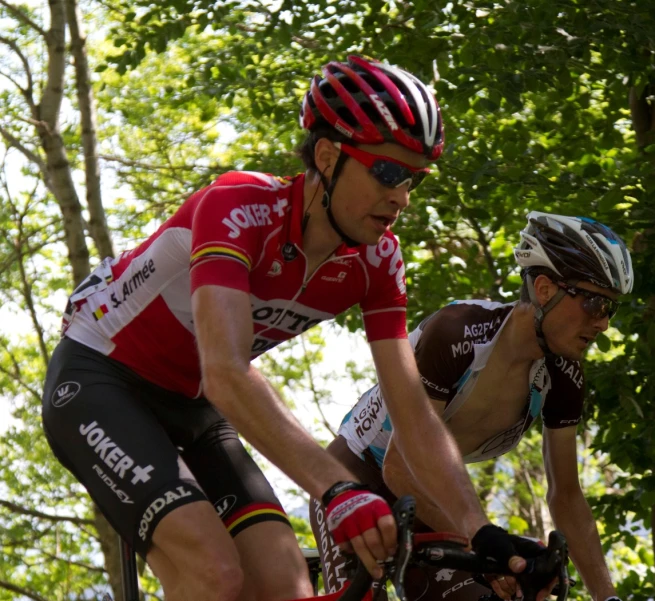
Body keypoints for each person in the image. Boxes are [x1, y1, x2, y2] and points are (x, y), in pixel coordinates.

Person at [41, 55, 541, 601]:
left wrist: (481, 530)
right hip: (101, 381)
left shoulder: (377, 260)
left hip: (189, 407)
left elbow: (412, 412)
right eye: (388, 172)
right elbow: (226, 374)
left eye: (414, 178)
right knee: (214, 573)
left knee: (287, 584)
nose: (401, 196)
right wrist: (338, 487)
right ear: (327, 156)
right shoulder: (238, 207)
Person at [311, 212, 633, 601]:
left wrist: (608, 597)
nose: (603, 324)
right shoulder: (457, 333)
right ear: (545, 288)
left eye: (611, 310)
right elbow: (397, 465)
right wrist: (478, 539)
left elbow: (566, 496)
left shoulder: (562, 376)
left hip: (431, 500)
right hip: (358, 475)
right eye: (596, 304)